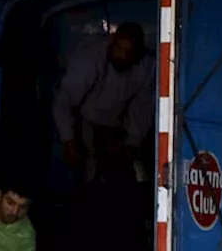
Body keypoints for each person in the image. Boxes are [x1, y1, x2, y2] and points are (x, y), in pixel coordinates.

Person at [52, 22, 155, 185]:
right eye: (119, 49)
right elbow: (65, 99)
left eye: (129, 52)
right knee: (87, 175)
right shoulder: (89, 58)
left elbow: (142, 108)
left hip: (116, 126)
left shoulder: (147, 66)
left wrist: (132, 143)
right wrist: (68, 141)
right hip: (83, 120)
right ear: (112, 41)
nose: (122, 56)